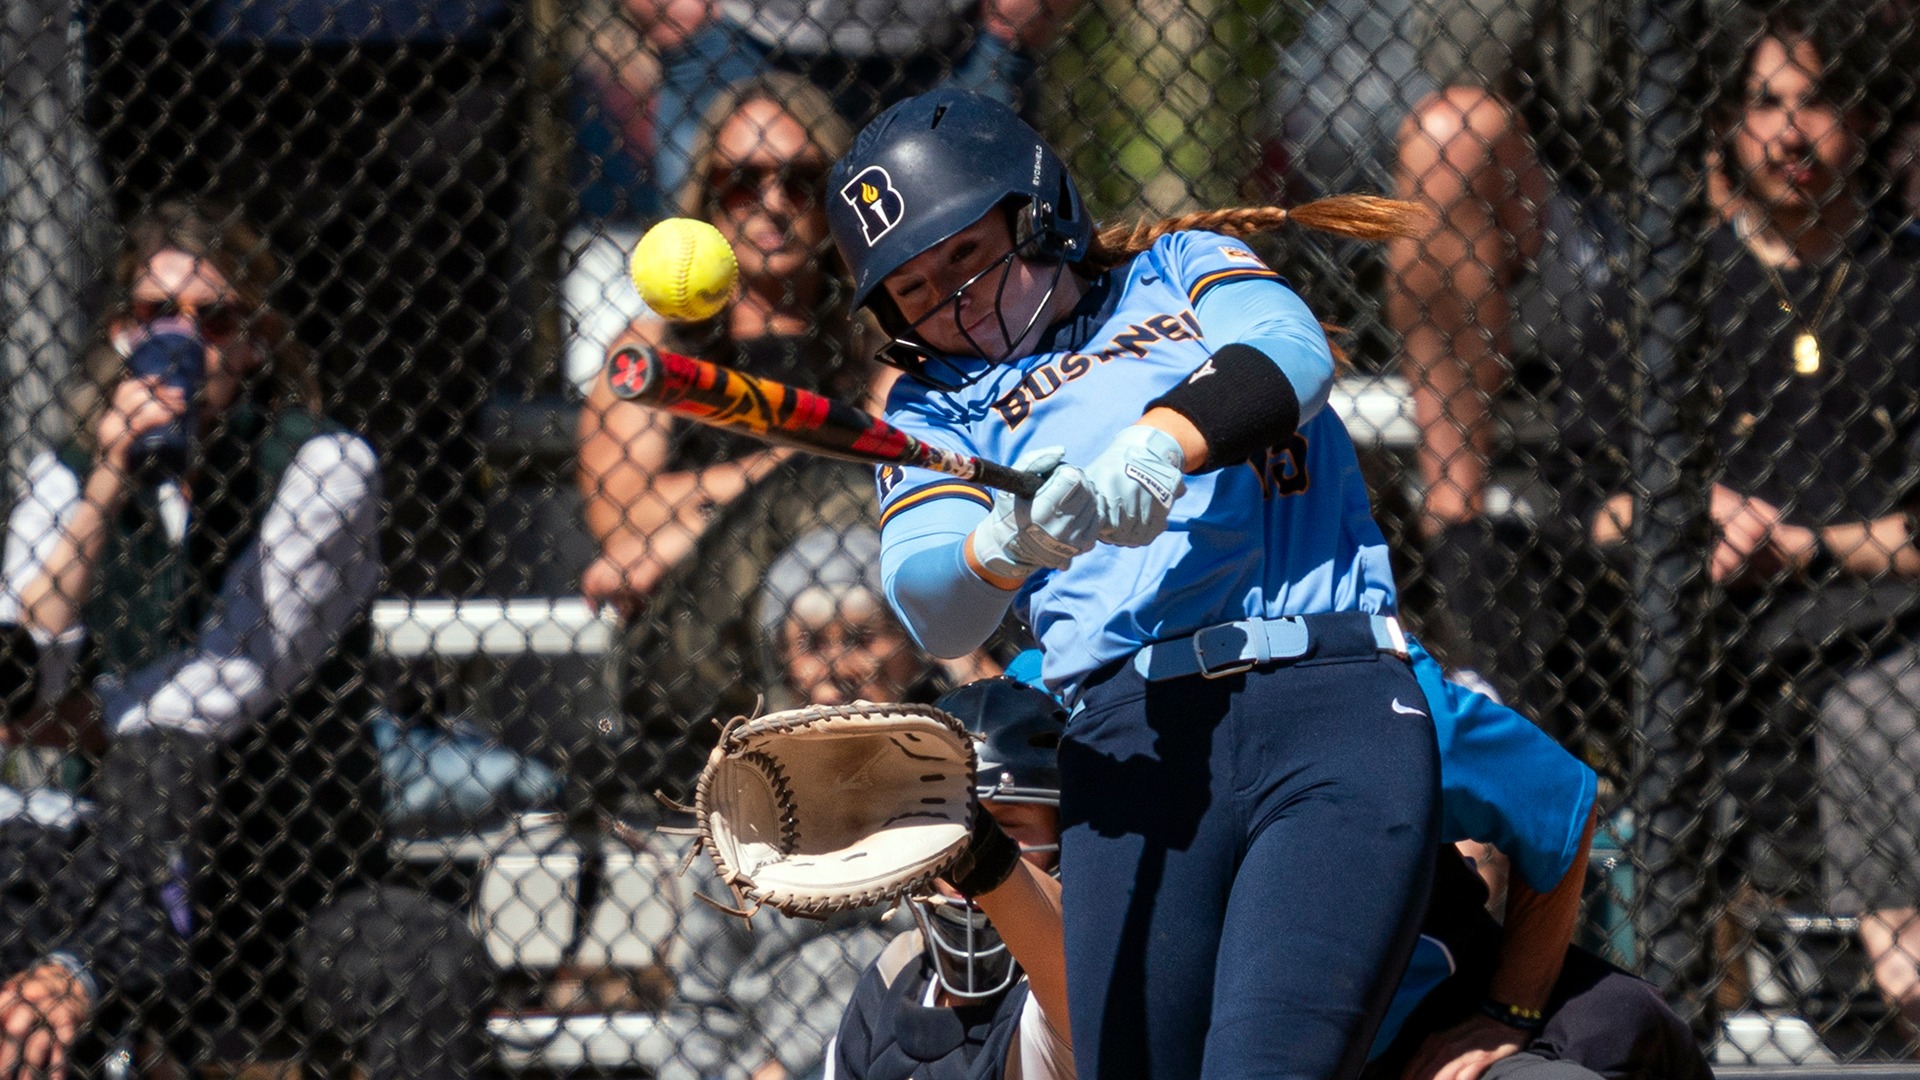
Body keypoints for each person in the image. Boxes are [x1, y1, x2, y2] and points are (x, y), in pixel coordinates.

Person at [828, 87, 1443, 1078]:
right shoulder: (932, 405)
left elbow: (1291, 355)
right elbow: (932, 598)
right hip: (1130, 746)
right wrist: (1009, 543)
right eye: (914, 291)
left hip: (1324, 706)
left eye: (966, 255)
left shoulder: (1176, 269)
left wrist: (1157, 448)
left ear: (1037, 213)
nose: (953, 300)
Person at [0, 202, 493, 1077]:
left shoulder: (324, 466)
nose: (184, 343)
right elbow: (20, 668)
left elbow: (234, 676)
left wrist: (80, 718)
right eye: (157, 317)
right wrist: (111, 476)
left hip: (293, 878)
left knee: (428, 961)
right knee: (142, 778)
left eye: (215, 320)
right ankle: (99, 966)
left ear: (255, 344)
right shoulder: (67, 476)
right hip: (114, 893)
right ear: (120, 334)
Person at [1561, 4, 1920, 1035]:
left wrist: (1802, 545)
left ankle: (1891, 969)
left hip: (1879, 632)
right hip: (1706, 634)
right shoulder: (1670, 287)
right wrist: (1683, 512)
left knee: (1875, 708)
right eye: (1767, 103)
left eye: (1820, 102)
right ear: (1725, 120)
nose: (1793, 132)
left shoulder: (1906, 281)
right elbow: (1590, 504)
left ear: (1866, 118)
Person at [826, 676, 1074, 1080]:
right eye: (945, 826)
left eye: (1009, 828)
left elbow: (1061, 965)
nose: (964, 854)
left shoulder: (1064, 988)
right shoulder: (895, 973)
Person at [627, 0, 1081, 204]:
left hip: (951, 47)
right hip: (746, 39)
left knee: (979, 259)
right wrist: (679, 17)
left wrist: (1011, 24)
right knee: (722, 266)